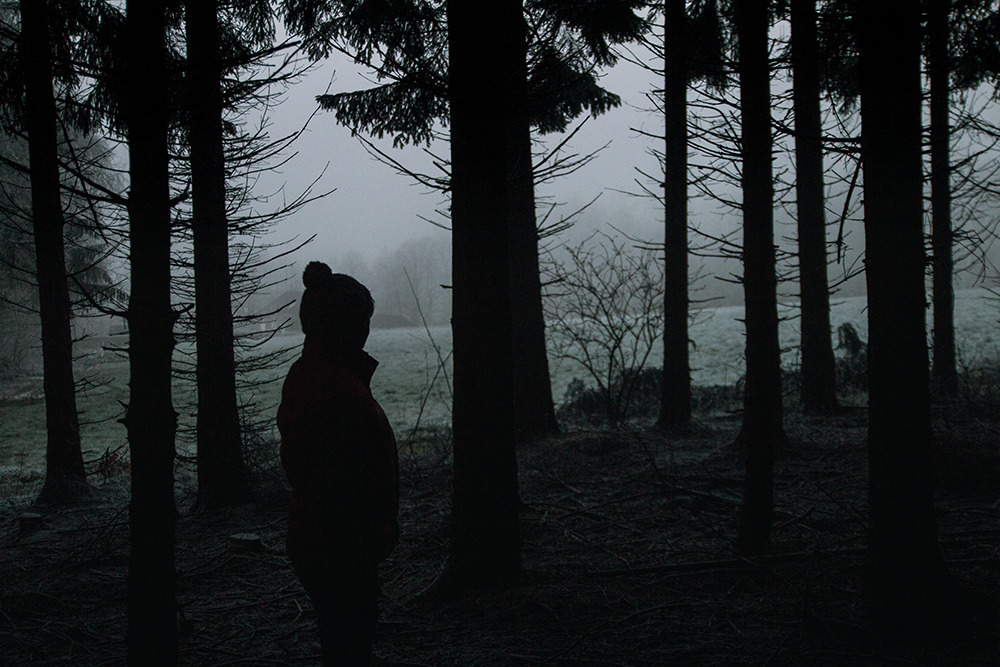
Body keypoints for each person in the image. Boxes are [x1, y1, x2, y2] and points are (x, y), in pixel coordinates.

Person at [278, 262, 399, 666]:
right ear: (345, 325)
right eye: (362, 319)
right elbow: (346, 480)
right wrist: (370, 534)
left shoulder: (313, 374)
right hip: (339, 545)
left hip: (325, 540)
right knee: (349, 641)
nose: (367, 329)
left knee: (341, 637)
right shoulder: (337, 389)